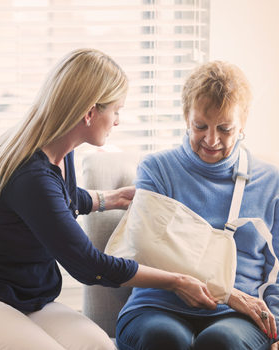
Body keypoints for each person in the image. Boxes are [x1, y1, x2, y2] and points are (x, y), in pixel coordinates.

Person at [0, 48, 217, 350]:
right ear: (90, 112)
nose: (117, 121)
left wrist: (109, 199)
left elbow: (61, 200)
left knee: (102, 347)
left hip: (30, 302)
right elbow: (88, 264)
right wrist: (176, 280)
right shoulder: (31, 175)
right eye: (116, 110)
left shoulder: (59, 151)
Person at [116, 60, 279, 350]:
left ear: (243, 123)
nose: (211, 140)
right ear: (185, 116)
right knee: (166, 339)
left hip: (238, 316)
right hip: (157, 305)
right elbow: (145, 250)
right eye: (200, 126)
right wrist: (226, 293)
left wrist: (276, 324)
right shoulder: (157, 170)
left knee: (221, 342)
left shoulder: (270, 182)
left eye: (225, 129)